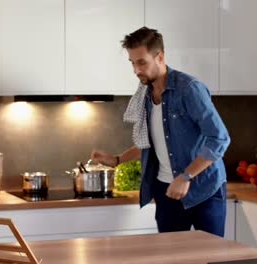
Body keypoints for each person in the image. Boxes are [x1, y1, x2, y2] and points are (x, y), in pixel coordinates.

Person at [91, 27, 230, 236]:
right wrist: (117, 159)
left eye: (141, 62)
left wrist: (185, 176)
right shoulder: (145, 94)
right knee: (170, 257)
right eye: (132, 63)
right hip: (167, 192)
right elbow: (151, 141)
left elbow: (219, 138)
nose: (136, 70)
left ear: (160, 57)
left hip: (203, 190)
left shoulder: (189, 89)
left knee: (211, 256)